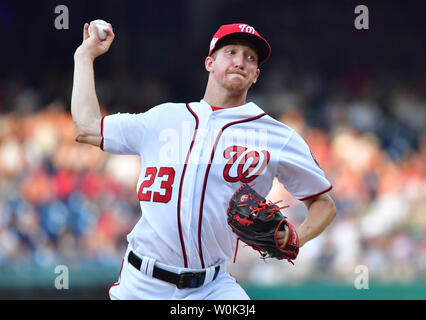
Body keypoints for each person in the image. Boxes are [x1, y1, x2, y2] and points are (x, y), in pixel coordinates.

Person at [71, 21, 337, 300]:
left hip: (212, 287)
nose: (240, 61)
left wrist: (299, 236)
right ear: (209, 62)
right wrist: (84, 56)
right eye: (231, 52)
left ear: (256, 74)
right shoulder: (162, 118)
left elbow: (324, 204)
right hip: (141, 283)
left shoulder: (276, 136)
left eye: (250, 58)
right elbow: (87, 127)